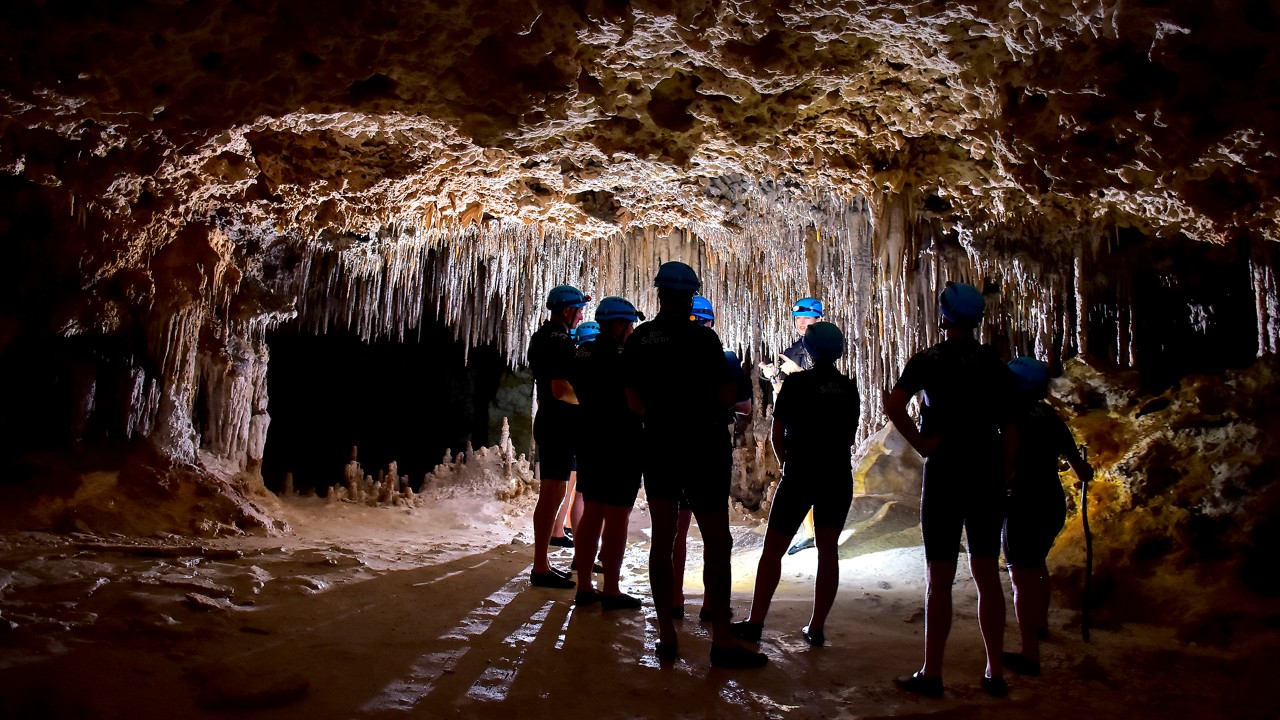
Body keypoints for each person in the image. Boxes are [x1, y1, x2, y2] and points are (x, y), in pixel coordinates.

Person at [623, 261, 767, 669]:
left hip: (660, 444)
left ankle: (667, 636)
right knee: (717, 540)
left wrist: (662, 414)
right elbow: (727, 394)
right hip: (703, 445)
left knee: (663, 538)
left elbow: (633, 402)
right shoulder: (705, 341)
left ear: (658, 292)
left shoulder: (641, 339)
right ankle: (721, 639)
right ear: (690, 297)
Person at [886, 281, 1014, 698]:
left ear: (944, 317)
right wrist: (1006, 470)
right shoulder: (994, 362)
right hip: (987, 469)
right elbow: (1011, 424)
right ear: (977, 320)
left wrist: (922, 443)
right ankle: (994, 670)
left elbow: (894, 403)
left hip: (945, 471)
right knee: (986, 573)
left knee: (939, 576)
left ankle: (933, 672)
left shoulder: (929, 360)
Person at [731, 321, 859, 648]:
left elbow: (777, 432)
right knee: (828, 550)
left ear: (811, 350)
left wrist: (788, 462)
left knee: (773, 549)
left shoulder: (798, 384)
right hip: (836, 475)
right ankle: (816, 627)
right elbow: (847, 435)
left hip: (801, 472)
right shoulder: (849, 388)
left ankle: (756, 621)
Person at [1002, 356, 1092, 676]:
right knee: (1038, 563)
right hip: (1051, 501)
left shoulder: (1009, 415)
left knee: (1021, 577)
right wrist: (1085, 468)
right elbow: (1081, 471)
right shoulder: (1052, 417)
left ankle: (1029, 654)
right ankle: (1041, 625)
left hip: (1022, 502)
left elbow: (1006, 464)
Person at [672, 295, 753, 620]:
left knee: (674, 530)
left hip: (673, 446)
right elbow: (744, 407)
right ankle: (711, 606)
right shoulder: (726, 358)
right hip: (709, 448)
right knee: (715, 532)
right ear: (711, 323)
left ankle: (674, 600)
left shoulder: (667, 357)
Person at [572, 297, 646, 610]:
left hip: (589, 438)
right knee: (617, 516)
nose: (632, 330)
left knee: (592, 512)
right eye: (629, 324)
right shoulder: (625, 356)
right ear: (618, 325)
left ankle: (585, 585)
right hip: (621, 442)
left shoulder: (583, 352)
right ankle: (612, 589)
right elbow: (635, 400)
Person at [527, 284, 589, 589]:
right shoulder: (561, 343)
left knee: (554, 491)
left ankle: (542, 563)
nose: (580, 316)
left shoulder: (541, 337)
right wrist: (590, 402)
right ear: (566, 310)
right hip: (558, 422)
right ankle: (540, 566)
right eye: (579, 310)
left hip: (550, 421)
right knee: (552, 492)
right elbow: (559, 388)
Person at [760, 297, 825, 556]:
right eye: (798, 318)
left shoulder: (829, 346)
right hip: (800, 425)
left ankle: (822, 532)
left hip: (822, 424)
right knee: (801, 479)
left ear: (819, 319)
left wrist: (798, 373)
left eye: (806, 318)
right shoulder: (793, 350)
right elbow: (785, 394)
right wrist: (774, 376)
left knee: (818, 480)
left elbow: (825, 388)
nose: (801, 322)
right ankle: (809, 533)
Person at [549, 323, 602, 550]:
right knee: (581, 490)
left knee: (571, 488)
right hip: (583, 431)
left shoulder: (572, 361)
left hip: (568, 428)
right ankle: (566, 534)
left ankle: (564, 529)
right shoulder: (593, 363)